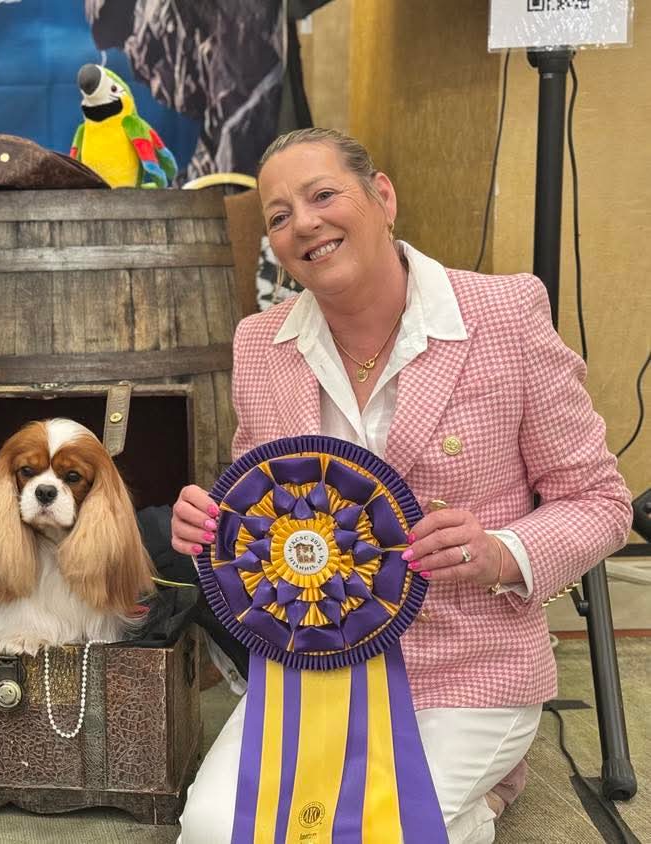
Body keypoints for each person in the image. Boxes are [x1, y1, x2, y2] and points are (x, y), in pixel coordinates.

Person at [170, 127, 632, 844]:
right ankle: (467, 807)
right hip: (311, 673)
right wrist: (210, 525)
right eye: (279, 215)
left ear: (381, 196)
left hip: (468, 665)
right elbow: (258, 513)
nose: (304, 224)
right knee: (209, 831)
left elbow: (599, 500)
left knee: (373, 833)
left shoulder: (505, 313)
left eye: (323, 195)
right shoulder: (259, 344)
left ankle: (479, 791)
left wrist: (501, 552)